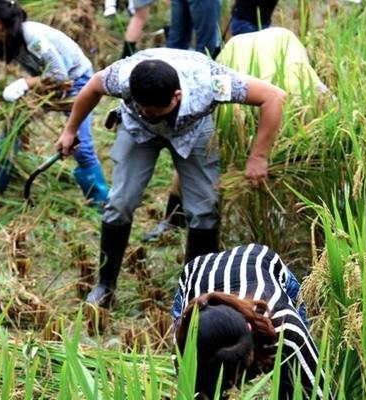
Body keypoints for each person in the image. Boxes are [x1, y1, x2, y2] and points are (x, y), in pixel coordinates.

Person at [55, 48, 287, 308]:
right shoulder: (122, 77)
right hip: (137, 131)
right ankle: (105, 286)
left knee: (204, 208)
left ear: (177, 97)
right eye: (146, 109)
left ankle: (197, 293)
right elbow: (92, 87)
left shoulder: (210, 82)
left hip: (193, 129)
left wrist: (258, 156)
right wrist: (70, 130)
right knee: (120, 202)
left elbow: (273, 96)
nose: (151, 114)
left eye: (156, 111)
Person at [144, 27, 329, 243]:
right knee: (204, 145)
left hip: (281, 44)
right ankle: (174, 217)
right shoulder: (241, 92)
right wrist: (258, 156)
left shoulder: (310, 99)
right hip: (238, 56)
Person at [0, 0, 109, 206]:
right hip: (51, 85)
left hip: (78, 84)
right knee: (11, 126)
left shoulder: (33, 38)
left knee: (80, 145)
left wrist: (25, 83)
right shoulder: (10, 38)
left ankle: (101, 202)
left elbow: (60, 77)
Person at [173, 244, 323, 399]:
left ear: (249, 327)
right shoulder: (186, 340)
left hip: (259, 261)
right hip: (196, 274)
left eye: (239, 374)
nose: (236, 384)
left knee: (293, 379)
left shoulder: (283, 324)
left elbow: (318, 393)